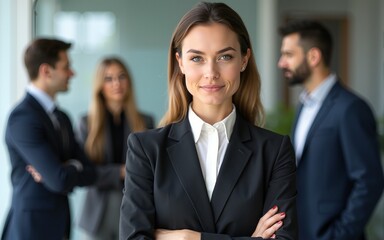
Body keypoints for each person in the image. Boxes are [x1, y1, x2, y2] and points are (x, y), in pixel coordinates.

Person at [120, 2, 298, 240]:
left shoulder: (274, 151)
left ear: (244, 60)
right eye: (197, 58)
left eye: (225, 56)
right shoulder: (146, 150)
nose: (211, 72)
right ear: (180, 62)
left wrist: (188, 238)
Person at [278, 19, 384, 240]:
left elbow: (369, 181)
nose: (281, 63)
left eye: (288, 55)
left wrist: (340, 235)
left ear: (313, 57)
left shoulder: (351, 108)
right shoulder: (303, 106)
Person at [1, 38, 97, 240]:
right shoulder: (22, 118)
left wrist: (68, 167)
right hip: (30, 230)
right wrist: (67, 170)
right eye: (66, 67)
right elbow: (58, 180)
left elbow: (91, 173)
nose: (72, 73)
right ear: (46, 71)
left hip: (59, 226)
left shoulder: (62, 117)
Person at [77, 57, 154, 240]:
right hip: (98, 212)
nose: (116, 84)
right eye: (108, 78)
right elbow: (84, 172)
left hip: (135, 207)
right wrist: (122, 171)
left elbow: (152, 169)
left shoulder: (146, 121)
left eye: (121, 77)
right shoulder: (86, 123)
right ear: (99, 86)